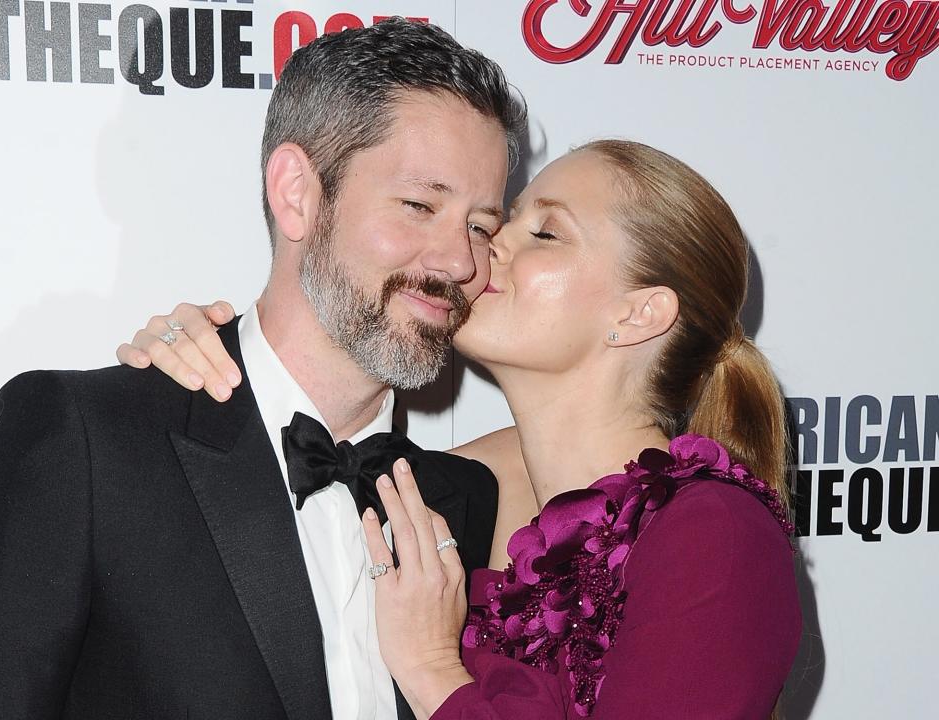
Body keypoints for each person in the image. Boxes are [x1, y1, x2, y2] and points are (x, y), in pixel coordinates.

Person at [126, 140, 802, 718]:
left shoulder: (714, 531)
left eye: (544, 233)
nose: (485, 246)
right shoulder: (447, 490)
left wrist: (431, 670)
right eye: (497, 223)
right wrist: (200, 365)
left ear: (642, 313)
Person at [0, 19, 527, 720]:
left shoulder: (465, 501)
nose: (459, 261)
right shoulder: (88, 444)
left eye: (481, 226)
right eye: (419, 205)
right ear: (297, 192)